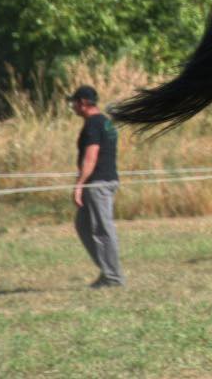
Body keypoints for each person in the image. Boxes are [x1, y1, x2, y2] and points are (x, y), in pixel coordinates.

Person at [69, 84, 125, 288]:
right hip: (105, 180)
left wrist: (79, 185)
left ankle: (113, 277)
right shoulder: (106, 123)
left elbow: (91, 157)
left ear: (83, 103)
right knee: (83, 225)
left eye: (73, 102)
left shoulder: (93, 124)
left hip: (98, 184)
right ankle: (107, 270)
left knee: (102, 230)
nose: (72, 106)